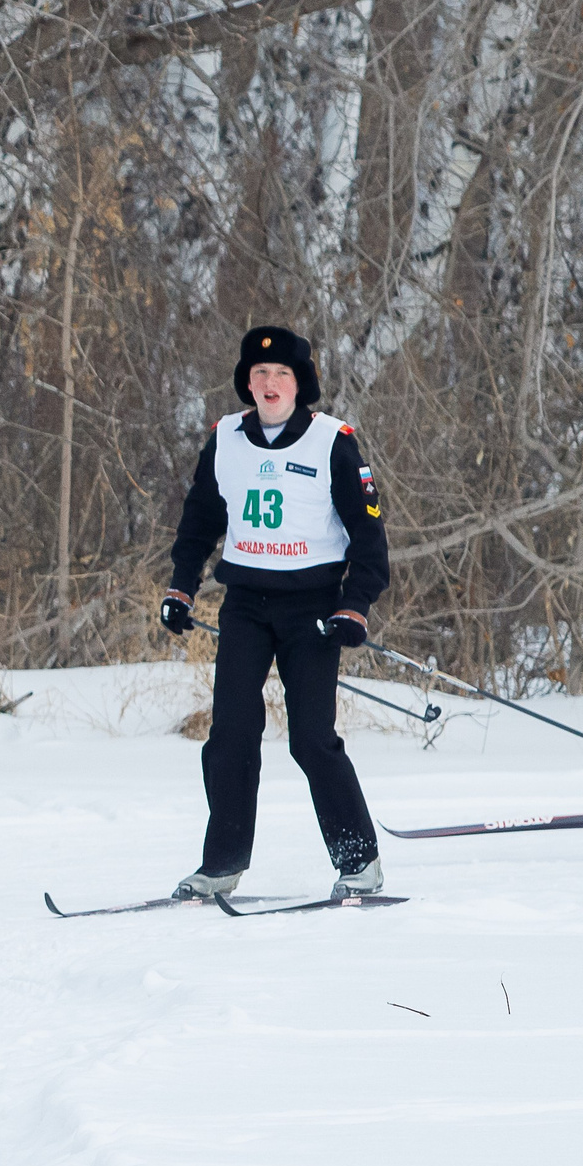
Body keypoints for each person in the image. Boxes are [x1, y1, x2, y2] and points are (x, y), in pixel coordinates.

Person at [161, 326, 390, 899]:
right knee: (231, 736)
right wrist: (180, 589)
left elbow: (369, 538)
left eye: (281, 375)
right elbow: (198, 525)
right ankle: (222, 865)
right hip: (245, 606)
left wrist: (354, 607)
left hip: (312, 609)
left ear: (299, 384)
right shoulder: (226, 440)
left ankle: (359, 864)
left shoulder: (332, 442)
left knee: (311, 739)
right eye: (259, 374)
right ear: (248, 382)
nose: (269, 383)